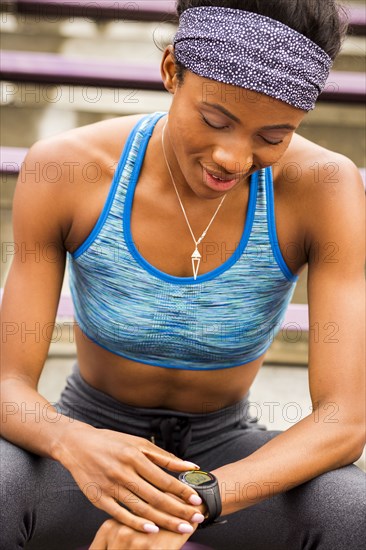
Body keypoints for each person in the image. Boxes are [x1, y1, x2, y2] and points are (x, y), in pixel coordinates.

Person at [1, 0, 365, 548]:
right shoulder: (67, 171)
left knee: (347, 510)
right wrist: (72, 442)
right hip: (92, 445)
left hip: (228, 457)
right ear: (172, 70)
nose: (232, 157)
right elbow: (7, 387)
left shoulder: (324, 188)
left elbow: (344, 420)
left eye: (273, 137)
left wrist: (195, 498)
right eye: (216, 120)